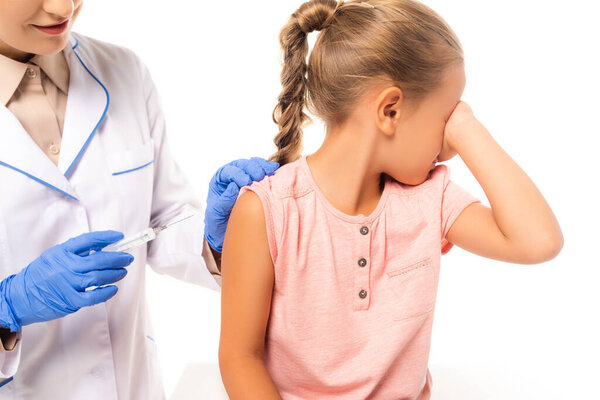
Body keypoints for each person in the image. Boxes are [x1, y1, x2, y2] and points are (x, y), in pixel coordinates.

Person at [217, 0, 564, 398]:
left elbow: (538, 241)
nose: (449, 146)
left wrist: (469, 128)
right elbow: (240, 356)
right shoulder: (267, 209)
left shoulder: (431, 198)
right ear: (391, 110)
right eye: (447, 118)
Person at [0, 0, 279, 398]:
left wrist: (220, 240)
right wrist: (7, 308)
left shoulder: (122, 72)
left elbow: (161, 222)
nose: (63, 6)